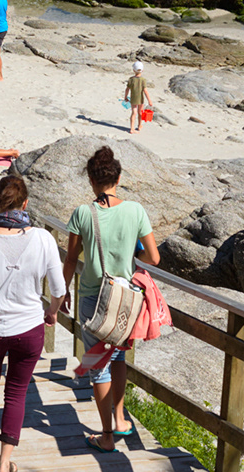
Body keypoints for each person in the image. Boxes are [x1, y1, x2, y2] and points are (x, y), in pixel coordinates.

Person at [0, 175, 67, 471]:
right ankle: (4, 462)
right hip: (29, 329)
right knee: (17, 391)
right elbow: (59, 290)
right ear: (26, 203)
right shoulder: (43, 239)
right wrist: (53, 312)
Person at [62, 146, 160, 452]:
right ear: (117, 178)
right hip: (125, 299)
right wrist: (131, 252)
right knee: (118, 357)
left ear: (91, 181)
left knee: (97, 366)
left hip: (93, 298)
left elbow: (71, 258)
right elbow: (153, 258)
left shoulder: (83, 213)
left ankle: (106, 437)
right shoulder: (136, 211)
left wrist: (62, 290)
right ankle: (119, 418)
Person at [126, 62, 150, 133]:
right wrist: (149, 100)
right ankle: (139, 126)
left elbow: (127, 89)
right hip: (141, 99)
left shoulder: (131, 79)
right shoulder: (143, 80)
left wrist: (125, 97)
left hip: (133, 98)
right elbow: (145, 91)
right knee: (140, 112)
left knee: (134, 112)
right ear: (142, 70)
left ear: (133, 70)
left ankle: (132, 128)